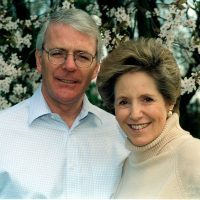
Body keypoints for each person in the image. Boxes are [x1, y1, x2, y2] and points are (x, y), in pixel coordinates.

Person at [0, 8, 129, 198]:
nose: (69, 66)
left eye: (82, 56)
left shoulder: (122, 136)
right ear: (39, 60)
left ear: (95, 69)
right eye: (58, 53)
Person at [96, 37, 200, 199]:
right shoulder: (125, 166)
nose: (135, 114)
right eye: (124, 102)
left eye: (147, 99)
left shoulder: (192, 155)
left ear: (169, 101)